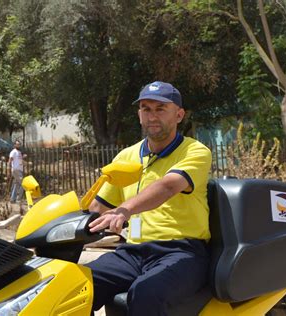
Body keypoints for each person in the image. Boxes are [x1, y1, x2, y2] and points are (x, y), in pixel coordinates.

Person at [86, 81, 212, 315]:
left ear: (179, 115)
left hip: (181, 252)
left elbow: (168, 186)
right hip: (132, 252)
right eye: (146, 109)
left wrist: (125, 210)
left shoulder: (195, 151)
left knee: (146, 293)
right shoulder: (126, 156)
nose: (152, 116)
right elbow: (97, 208)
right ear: (139, 115)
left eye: (160, 109)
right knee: (78, 284)